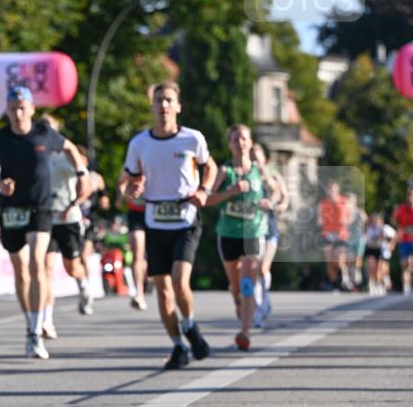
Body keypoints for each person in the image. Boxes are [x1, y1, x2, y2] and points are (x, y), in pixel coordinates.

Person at [0, 86, 87, 359]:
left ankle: (36, 333)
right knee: (21, 272)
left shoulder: (43, 133)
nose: (18, 113)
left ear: (32, 109)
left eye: (22, 108)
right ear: (8, 110)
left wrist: (82, 173)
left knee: (38, 263)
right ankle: (31, 322)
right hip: (11, 210)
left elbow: (70, 148)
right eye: (13, 108)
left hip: (40, 208)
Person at [122, 81, 216, 370]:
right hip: (155, 221)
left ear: (178, 106)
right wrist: (132, 190)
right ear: (152, 106)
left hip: (185, 219)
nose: (163, 105)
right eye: (158, 100)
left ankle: (189, 325)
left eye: (168, 100)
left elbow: (210, 167)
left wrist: (204, 190)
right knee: (162, 292)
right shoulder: (139, 143)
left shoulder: (192, 139)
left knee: (178, 281)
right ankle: (178, 346)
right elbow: (130, 179)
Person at [209, 124, 272, 351]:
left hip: (253, 233)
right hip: (228, 234)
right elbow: (208, 199)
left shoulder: (259, 171)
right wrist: (231, 192)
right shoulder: (224, 171)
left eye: (244, 138)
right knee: (236, 286)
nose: (240, 143)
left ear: (250, 142)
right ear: (230, 144)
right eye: (235, 139)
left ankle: (245, 332)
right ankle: (237, 300)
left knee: (247, 283)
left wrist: (270, 202)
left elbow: (276, 191)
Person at [40, 115, 93, 339]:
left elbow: (88, 185)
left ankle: (83, 285)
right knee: (45, 269)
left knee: (72, 268)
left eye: (49, 128)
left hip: (68, 219)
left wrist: (74, 204)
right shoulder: (37, 156)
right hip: (45, 220)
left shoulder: (68, 156)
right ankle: (47, 320)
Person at [250, 142, 289, 327]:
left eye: (257, 158)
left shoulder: (272, 175)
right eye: (251, 158)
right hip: (250, 228)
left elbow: (282, 195)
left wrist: (279, 205)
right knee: (253, 269)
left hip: (269, 228)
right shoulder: (245, 176)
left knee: (263, 268)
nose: (254, 162)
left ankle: (264, 300)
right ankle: (257, 307)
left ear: (264, 159)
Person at [115, 174, 148, 310]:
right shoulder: (132, 165)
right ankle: (139, 293)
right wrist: (121, 194)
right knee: (138, 254)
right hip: (135, 213)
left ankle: (147, 281)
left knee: (149, 257)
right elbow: (122, 181)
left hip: (154, 212)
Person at [318, 179, 352, 290]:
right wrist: (320, 221)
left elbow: (350, 218)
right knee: (329, 262)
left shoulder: (344, 202)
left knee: (339, 261)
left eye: (333, 190)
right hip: (327, 234)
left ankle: (344, 274)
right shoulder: (323, 203)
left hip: (341, 234)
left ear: (338, 190)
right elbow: (319, 219)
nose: (331, 192)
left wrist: (345, 221)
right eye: (330, 190)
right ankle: (334, 285)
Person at [363, 212, 396, 296]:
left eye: (376, 220)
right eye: (373, 220)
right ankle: (371, 283)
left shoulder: (385, 228)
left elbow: (394, 235)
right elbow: (364, 237)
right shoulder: (368, 228)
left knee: (380, 268)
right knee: (371, 266)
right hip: (371, 249)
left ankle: (380, 283)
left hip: (381, 250)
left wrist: (391, 244)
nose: (374, 222)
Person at [345, 191, 367, 290]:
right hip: (349, 239)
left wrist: (365, 234)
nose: (350, 202)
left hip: (359, 238)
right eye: (348, 200)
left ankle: (357, 270)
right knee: (349, 259)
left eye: (352, 200)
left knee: (358, 259)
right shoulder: (344, 212)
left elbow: (366, 221)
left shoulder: (359, 211)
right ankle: (350, 278)